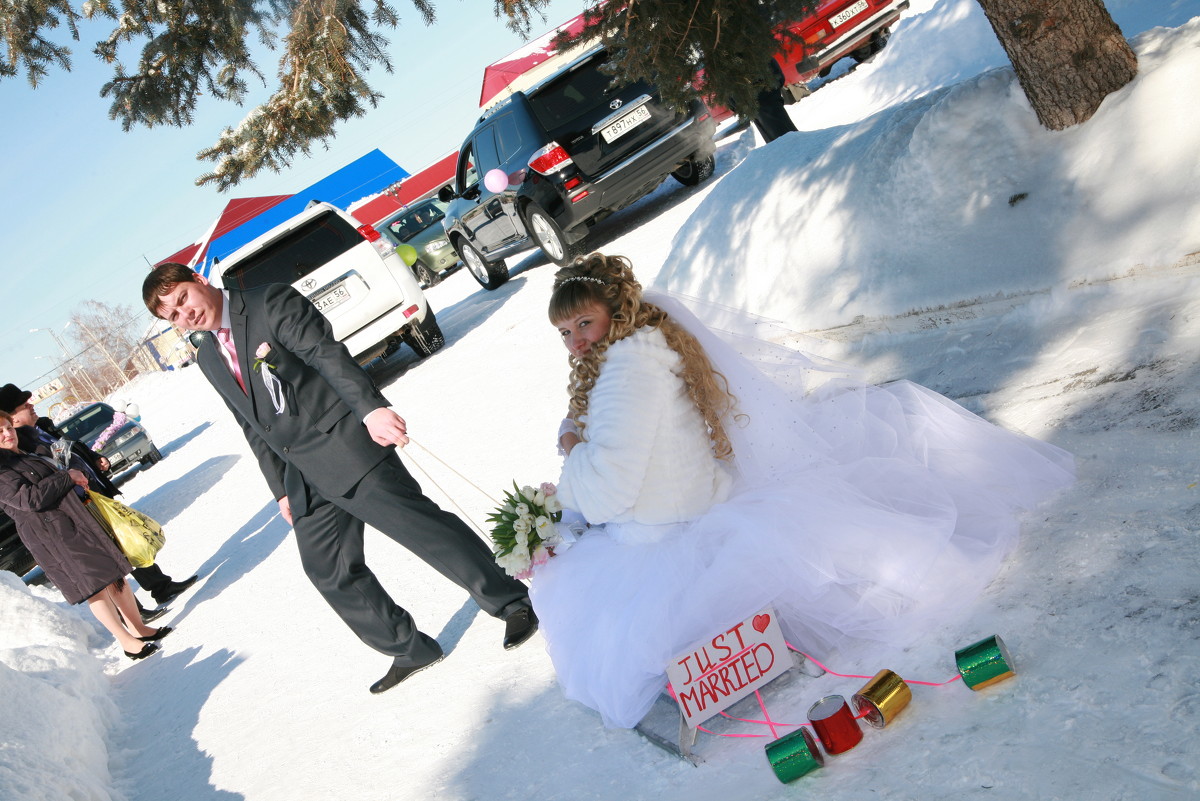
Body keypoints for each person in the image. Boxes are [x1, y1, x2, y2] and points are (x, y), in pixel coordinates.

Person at [532, 253, 1074, 728]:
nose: (575, 340)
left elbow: (609, 487)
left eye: (585, 321)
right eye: (564, 331)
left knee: (600, 618)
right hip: (682, 506)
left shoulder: (629, 371)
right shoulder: (639, 354)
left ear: (615, 312)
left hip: (659, 528)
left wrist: (572, 445)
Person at [141, 263, 538, 693]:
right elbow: (251, 425)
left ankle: (511, 601)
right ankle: (409, 647)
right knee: (328, 570)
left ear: (199, 282)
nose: (185, 315)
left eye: (182, 299)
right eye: (173, 316)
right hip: (302, 474)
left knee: (423, 530)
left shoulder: (269, 301)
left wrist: (371, 409)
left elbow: (326, 354)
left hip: (344, 446)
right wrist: (279, 490)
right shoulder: (206, 357)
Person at [0, 384, 198, 618]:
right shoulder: (19, 445)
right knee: (109, 556)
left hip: (92, 491)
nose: (32, 406)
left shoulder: (43, 426)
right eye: (25, 406)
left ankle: (160, 586)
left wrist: (94, 458)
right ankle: (135, 613)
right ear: (12, 416)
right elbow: (45, 477)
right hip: (76, 504)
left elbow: (72, 448)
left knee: (124, 539)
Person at [0, 411, 172, 659]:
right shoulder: (3, 469)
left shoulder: (24, 452)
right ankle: (125, 641)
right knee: (96, 587)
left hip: (76, 521)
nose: (7, 434)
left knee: (115, 575)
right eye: (0, 432)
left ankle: (139, 628)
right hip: (54, 535)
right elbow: (29, 499)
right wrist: (66, 477)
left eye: (8, 428)